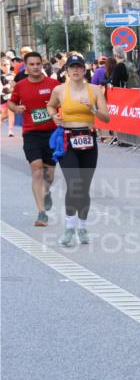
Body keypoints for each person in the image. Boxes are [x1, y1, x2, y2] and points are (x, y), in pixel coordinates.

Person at [46, 53, 112, 247]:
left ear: (84, 70)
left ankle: (82, 227)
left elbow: (107, 118)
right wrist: (54, 116)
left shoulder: (95, 90)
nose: (75, 70)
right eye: (72, 67)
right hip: (67, 139)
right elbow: (51, 106)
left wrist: (93, 109)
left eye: (79, 67)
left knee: (83, 187)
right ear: (67, 70)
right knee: (73, 184)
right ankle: (69, 228)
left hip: (88, 139)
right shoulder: (59, 90)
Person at [8, 52, 57, 225]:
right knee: (36, 169)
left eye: (38, 64)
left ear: (42, 65)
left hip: (52, 133)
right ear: (26, 67)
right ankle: (41, 213)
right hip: (31, 133)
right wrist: (16, 108)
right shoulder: (21, 86)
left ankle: (47, 191)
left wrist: (55, 105)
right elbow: (11, 102)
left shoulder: (53, 84)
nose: (35, 67)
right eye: (32, 64)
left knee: (49, 173)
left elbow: (63, 101)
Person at [1, 57, 14, 137]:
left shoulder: (13, 74)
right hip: (3, 96)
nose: (6, 66)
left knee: (11, 112)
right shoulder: (0, 75)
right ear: (1, 66)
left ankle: (10, 131)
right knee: (4, 114)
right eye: (4, 65)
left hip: (11, 96)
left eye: (8, 64)